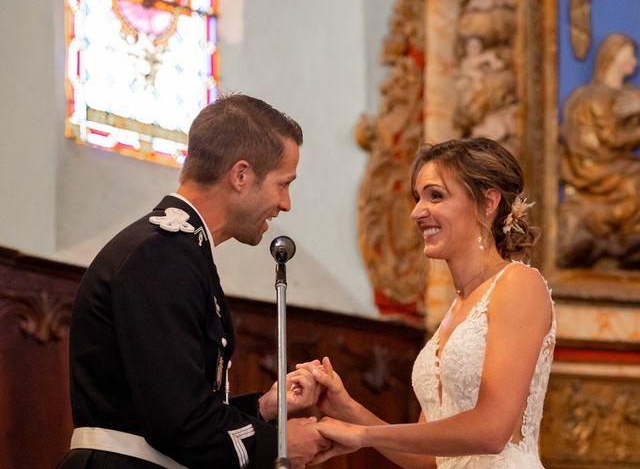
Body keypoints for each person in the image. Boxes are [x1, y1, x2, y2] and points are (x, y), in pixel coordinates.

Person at [57, 94, 328, 469]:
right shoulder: (160, 255)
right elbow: (177, 423)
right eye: (283, 184)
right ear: (241, 175)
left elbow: (168, 404)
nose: (286, 203)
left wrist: (264, 408)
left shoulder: (179, 250)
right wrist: (278, 443)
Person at [304, 138, 556, 468]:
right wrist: (349, 410)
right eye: (418, 197)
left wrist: (364, 436)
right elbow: (428, 459)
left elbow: (493, 432)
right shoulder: (456, 309)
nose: (417, 212)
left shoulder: (519, 284)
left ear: (488, 202)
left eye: (436, 195)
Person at [559, 33, 640, 268]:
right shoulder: (589, 97)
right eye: (630, 56)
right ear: (613, 58)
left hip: (617, 162)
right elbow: (609, 139)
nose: (634, 63)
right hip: (594, 166)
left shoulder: (631, 96)